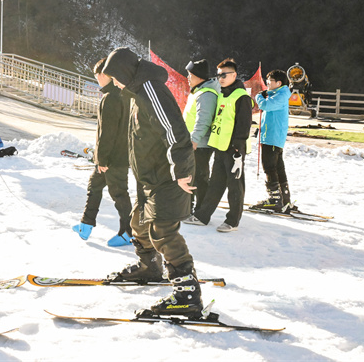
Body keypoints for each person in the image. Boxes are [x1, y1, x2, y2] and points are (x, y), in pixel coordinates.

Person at [102, 47, 205, 317]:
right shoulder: (137, 93)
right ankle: (150, 268)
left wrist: (182, 171)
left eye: (114, 76)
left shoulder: (151, 91)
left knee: (163, 231)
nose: (113, 82)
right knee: (138, 223)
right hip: (151, 178)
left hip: (168, 176)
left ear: (124, 72)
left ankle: (187, 295)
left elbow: (175, 131)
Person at [72, 58, 133, 247]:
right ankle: (86, 224)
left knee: (119, 195)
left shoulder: (111, 98)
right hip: (115, 155)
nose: (96, 79)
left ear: (105, 75)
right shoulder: (122, 94)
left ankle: (128, 233)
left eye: (96, 75)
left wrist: (103, 159)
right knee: (94, 186)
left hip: (113, 158)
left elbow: (108, 132)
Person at [190, 59, 253, 232]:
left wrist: (238, 151)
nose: (221, 78)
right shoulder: (222, 94)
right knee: (215, 184)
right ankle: (203, 216)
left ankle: (232, 221)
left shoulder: (242, 97)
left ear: (234, 75)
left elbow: (244, 126)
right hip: (219, 146)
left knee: (235, 186)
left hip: (234, 150)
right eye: (218, 75)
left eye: (224, 75)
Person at [181, 59, 219, 223]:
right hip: (192, 142)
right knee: (190, 176)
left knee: (199, 178)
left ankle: (199, 211)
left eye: (190, 74)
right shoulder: (198, 91)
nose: (187, 77)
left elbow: (204, 120)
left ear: (199, 76)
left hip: (199, 145)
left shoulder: (207, 94)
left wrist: (194, 140)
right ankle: (187, 208)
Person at [253, 69, 295, 212]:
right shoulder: (279, 94)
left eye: (269, 81)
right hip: (272, 136)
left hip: (272, 137)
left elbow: (266, 105)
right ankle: (284, 199)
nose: (267, 84)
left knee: (270, 167)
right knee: (278, 167)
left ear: (278, 82)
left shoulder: (281, 95)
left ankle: (275, 199)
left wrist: (259, 96)